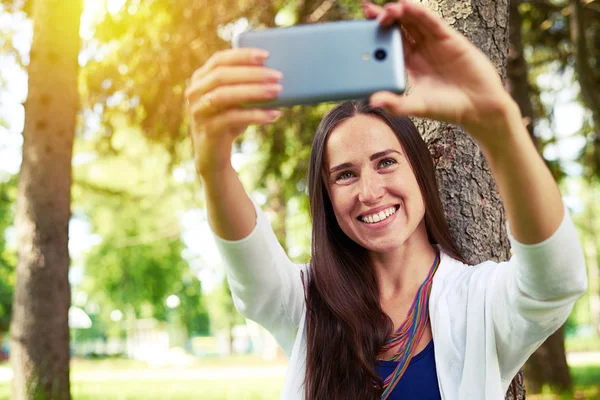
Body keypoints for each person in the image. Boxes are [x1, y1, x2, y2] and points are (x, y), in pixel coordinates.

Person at [185, 1, 587, 399]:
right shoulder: (305, 304)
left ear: (418, 171)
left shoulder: (479, 304)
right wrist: (215, 166)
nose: (369, 192)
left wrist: (498, 125)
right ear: (326, 197)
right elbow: (248, 261)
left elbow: (556, 282)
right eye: (345, 175)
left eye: (386, 162)